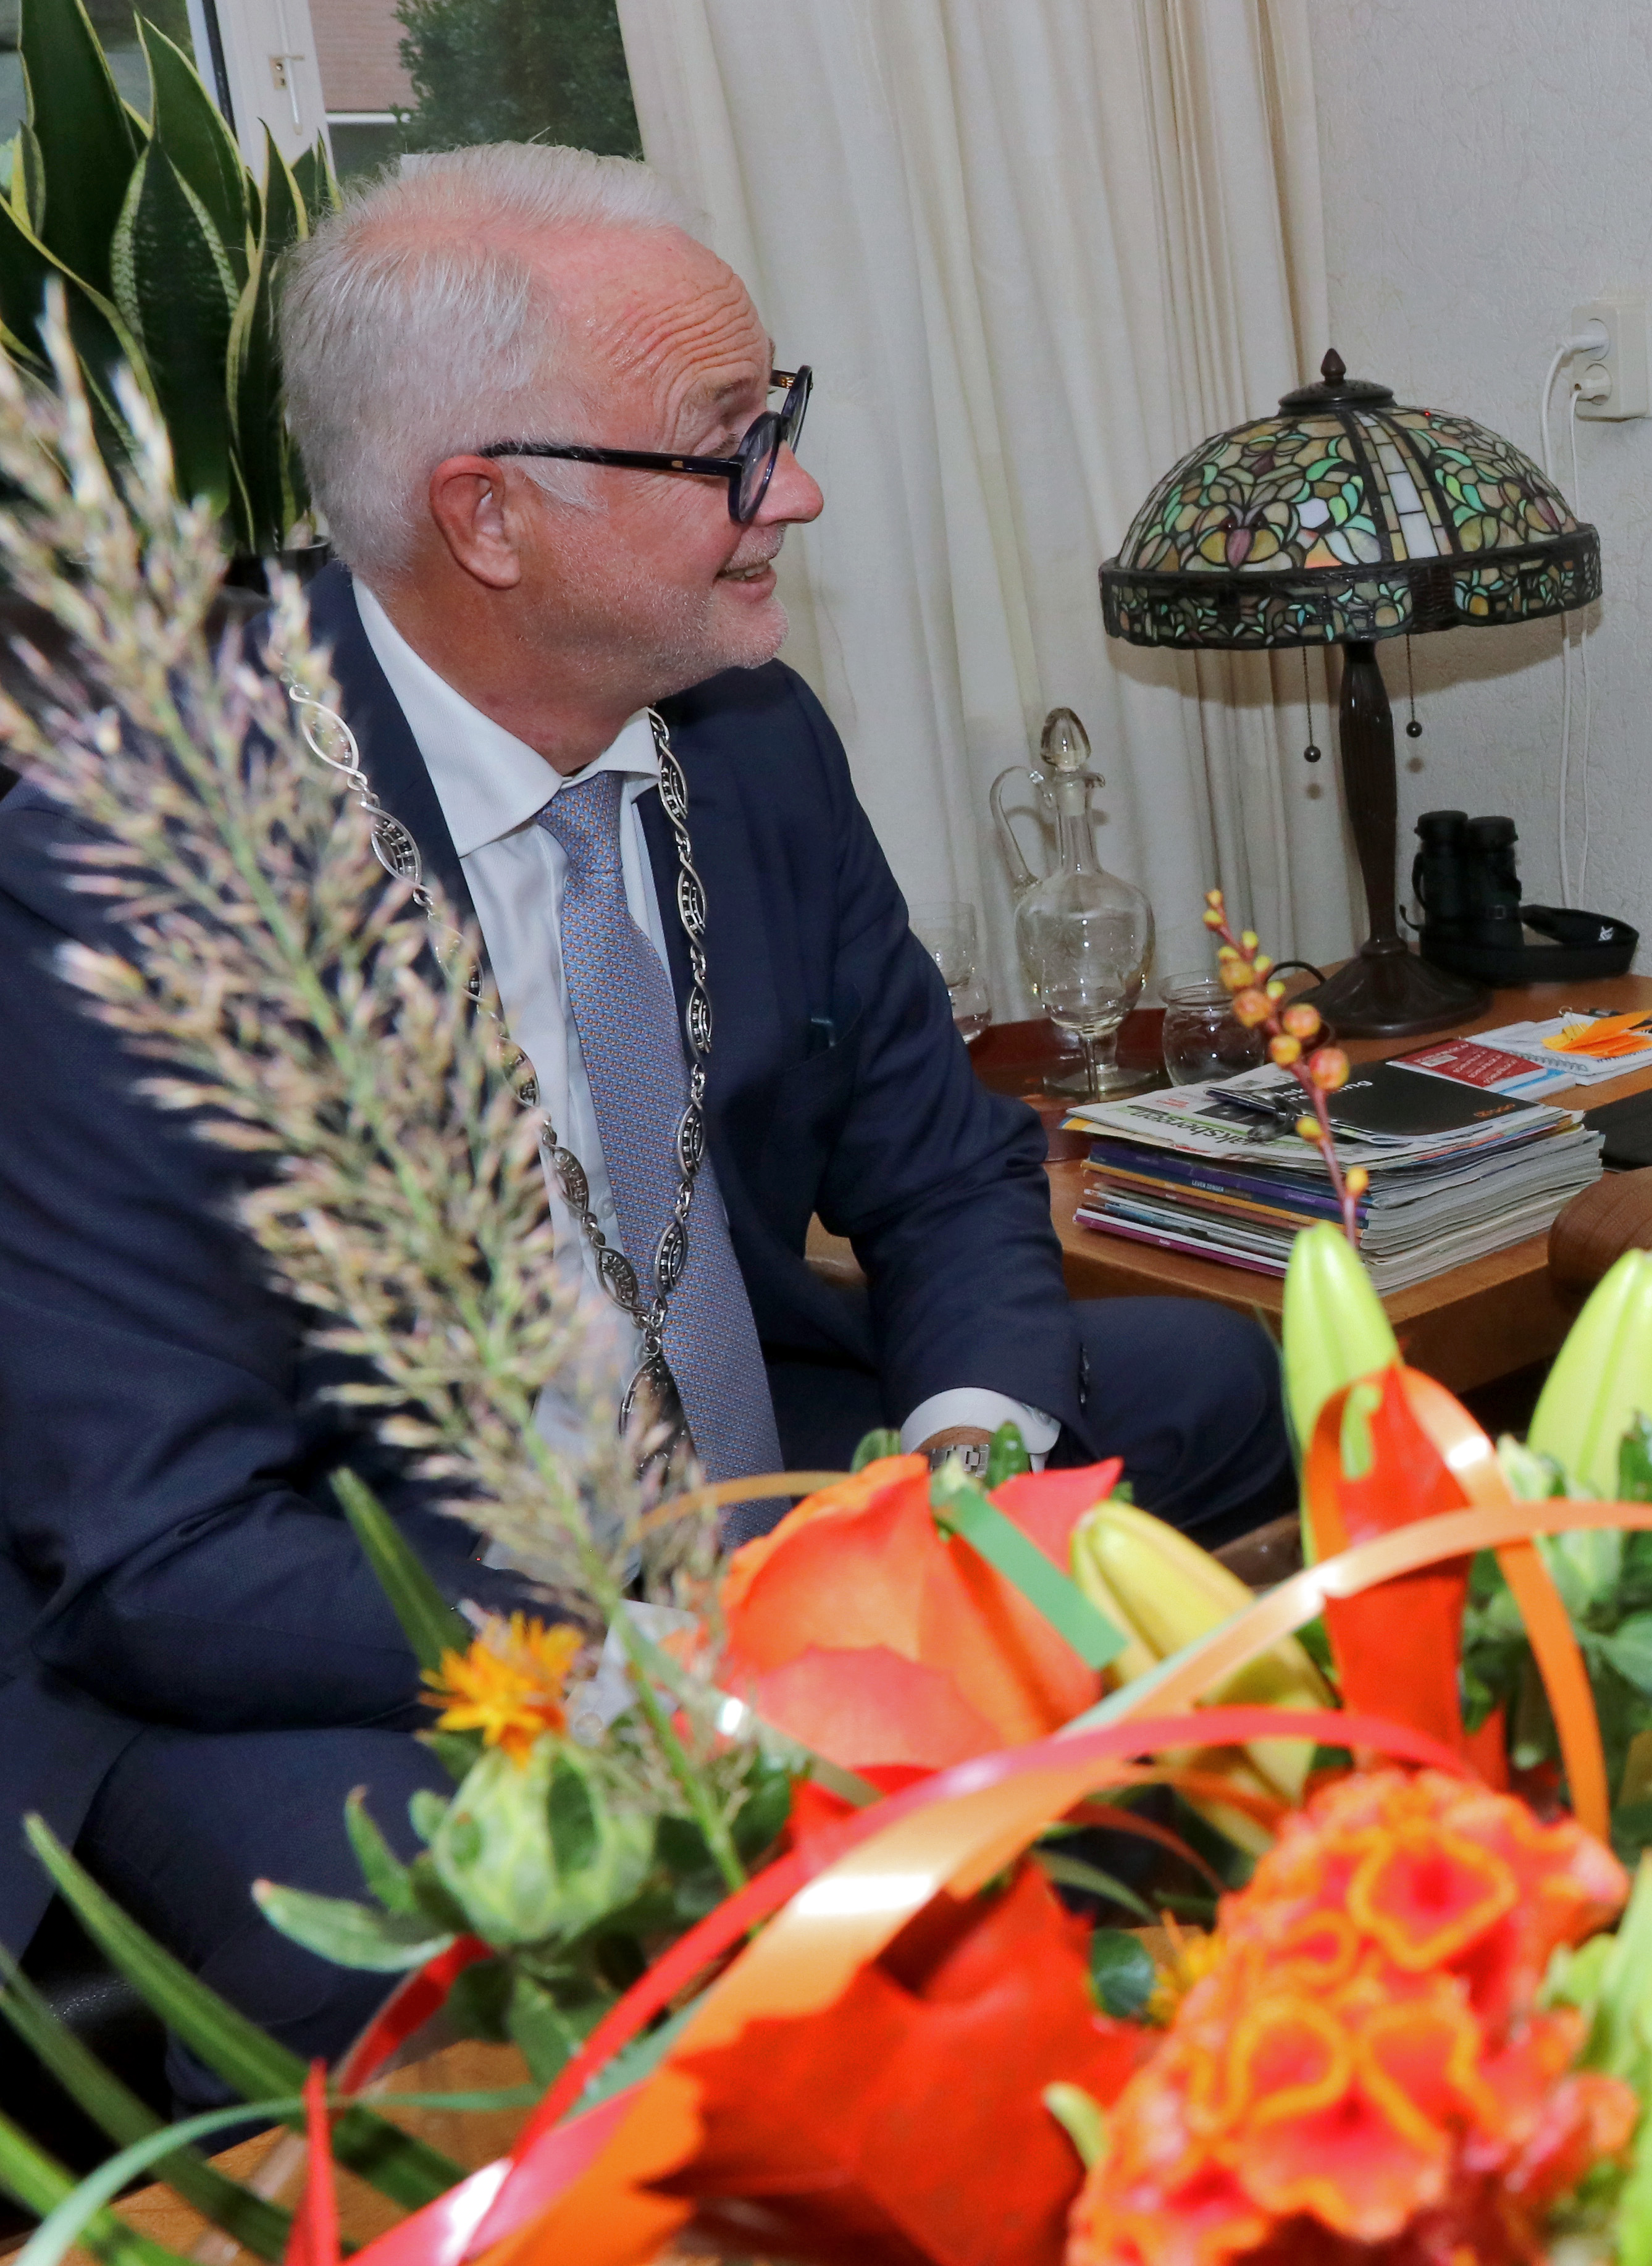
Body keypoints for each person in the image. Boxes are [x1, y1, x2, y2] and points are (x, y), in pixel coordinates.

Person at [0, 145, 1288, 2083]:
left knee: (1209, 1374)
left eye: (782, 419)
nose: (800, 490)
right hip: (343, 1586)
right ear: (491, 515)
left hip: (728, 1471)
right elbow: (163, 1550)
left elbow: (940, 1173)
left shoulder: (753, 735)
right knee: (451, 1901)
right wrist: (664, 1658)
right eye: (727, 444)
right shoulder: (140, 873)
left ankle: (1027, 2016)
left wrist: (951, 1490)